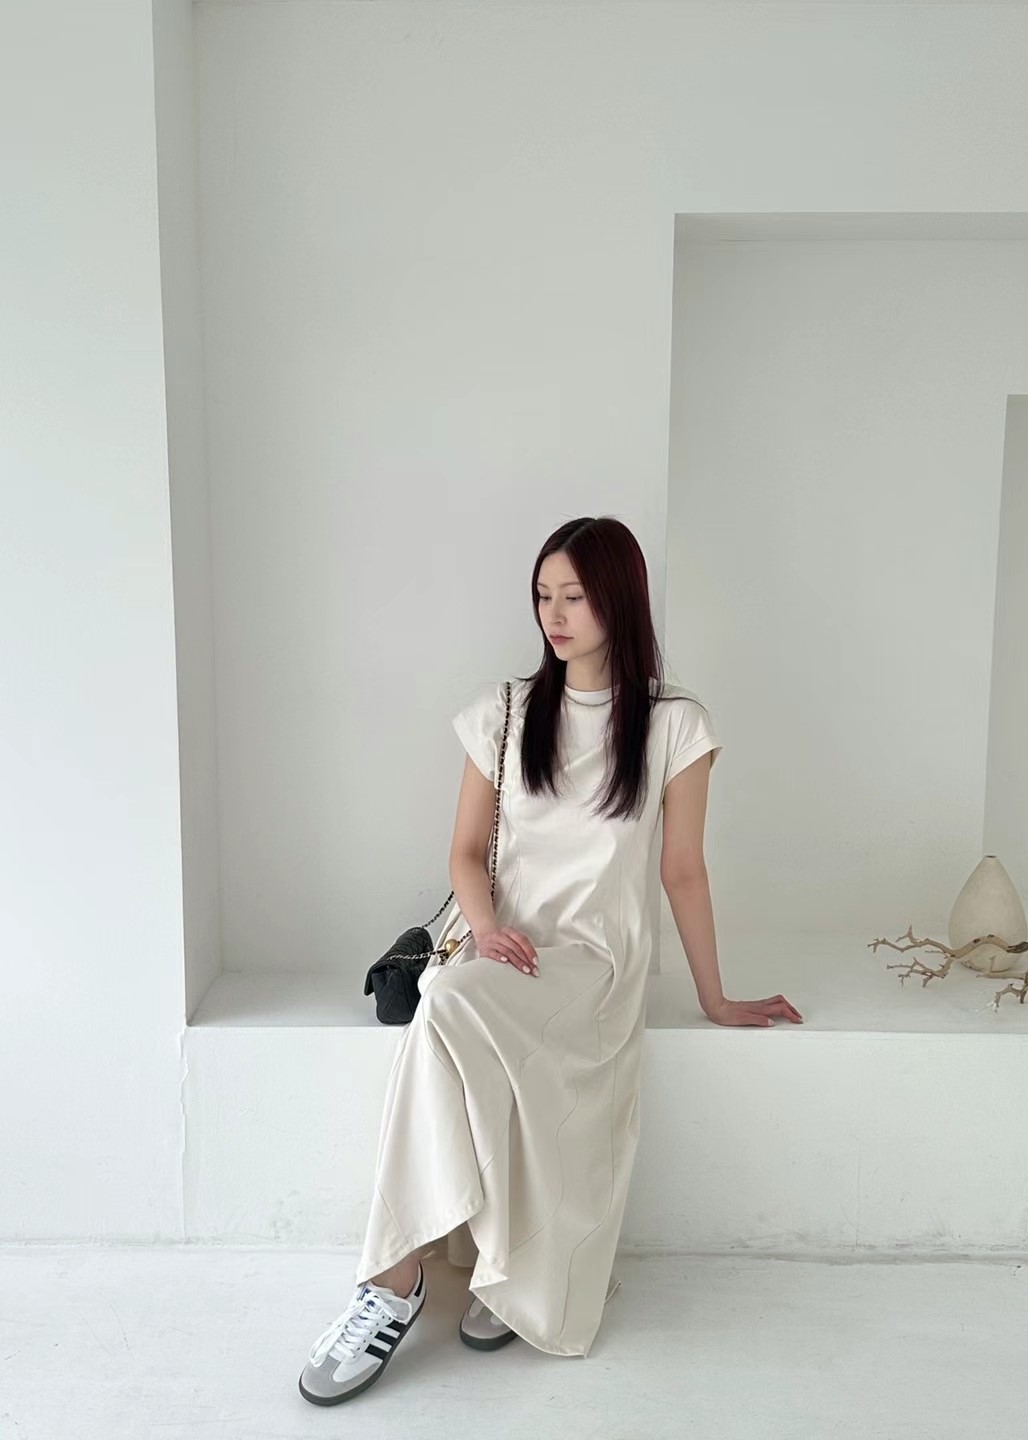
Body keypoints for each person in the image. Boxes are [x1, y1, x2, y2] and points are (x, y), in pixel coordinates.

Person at [298, 515, 802, 1405]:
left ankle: (435, 1276)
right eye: (543, 595)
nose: (554, 615)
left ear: (619, 600)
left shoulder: (675, 727)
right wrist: (488, 928)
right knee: (448, 1001)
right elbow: (464, 854)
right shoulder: (504, 712)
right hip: (505, 949)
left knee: (447, 1007)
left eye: (574, 596)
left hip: (594, 963)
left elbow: (683, 872)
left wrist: (716, 998)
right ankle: (402, 1282)